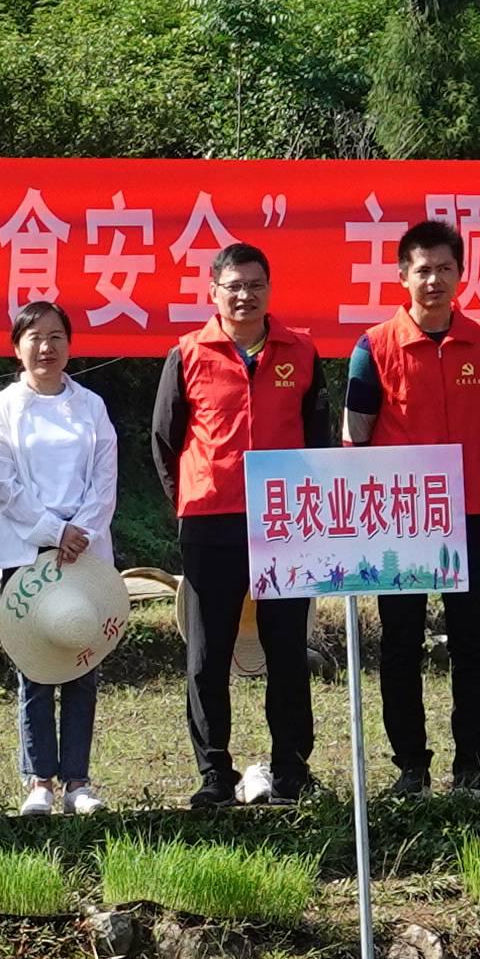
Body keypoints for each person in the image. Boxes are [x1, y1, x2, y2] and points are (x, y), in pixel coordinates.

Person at [340, 216, 480, 797]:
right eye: (422, 270)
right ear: (401, 277)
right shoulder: (374, 347)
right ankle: (410, 767)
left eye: (445, 269)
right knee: (400, 641)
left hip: (469, 512)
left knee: (471, 640)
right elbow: (355, 438)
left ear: (461, 274)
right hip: (398, 522)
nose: (434, 279)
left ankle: (472, 766)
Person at [151, 240, 321, 806]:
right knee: (207, 655)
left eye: (255, 285)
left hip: (284, 522)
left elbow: (317, 436)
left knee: (287, 650)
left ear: (270, 290)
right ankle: (214, 773)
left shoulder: (301, 351)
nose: (245, 296)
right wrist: (190, 501)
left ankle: (292, 768)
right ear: (213, 294)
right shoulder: (189, 353)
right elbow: (164, 440)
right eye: (234, 287)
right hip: (211, 521)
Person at [0, 298, 118, 813]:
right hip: (26, 548)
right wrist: (52, 531)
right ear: (17, 348)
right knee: (35, 666)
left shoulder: (92, 407)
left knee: (81, 659)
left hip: (85, 553)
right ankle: (39, 780)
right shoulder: (2, 408)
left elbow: (105, 478)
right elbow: (3, 484)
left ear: (70, 345)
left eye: (56, 336)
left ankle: (78, 780)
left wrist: (78, 532)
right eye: (34, 337)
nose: (46, 347)